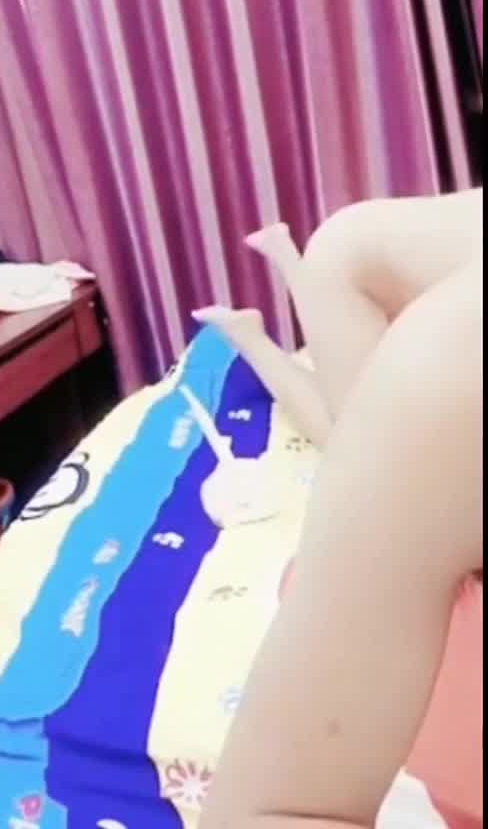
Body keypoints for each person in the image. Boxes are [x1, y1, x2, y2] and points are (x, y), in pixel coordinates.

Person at [195, 190, 483, 829]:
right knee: (354, 440)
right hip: (350, 269)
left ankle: (258, 318)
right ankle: (254, 332)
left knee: (360, 440)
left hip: (381, 275)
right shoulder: (452, 364)